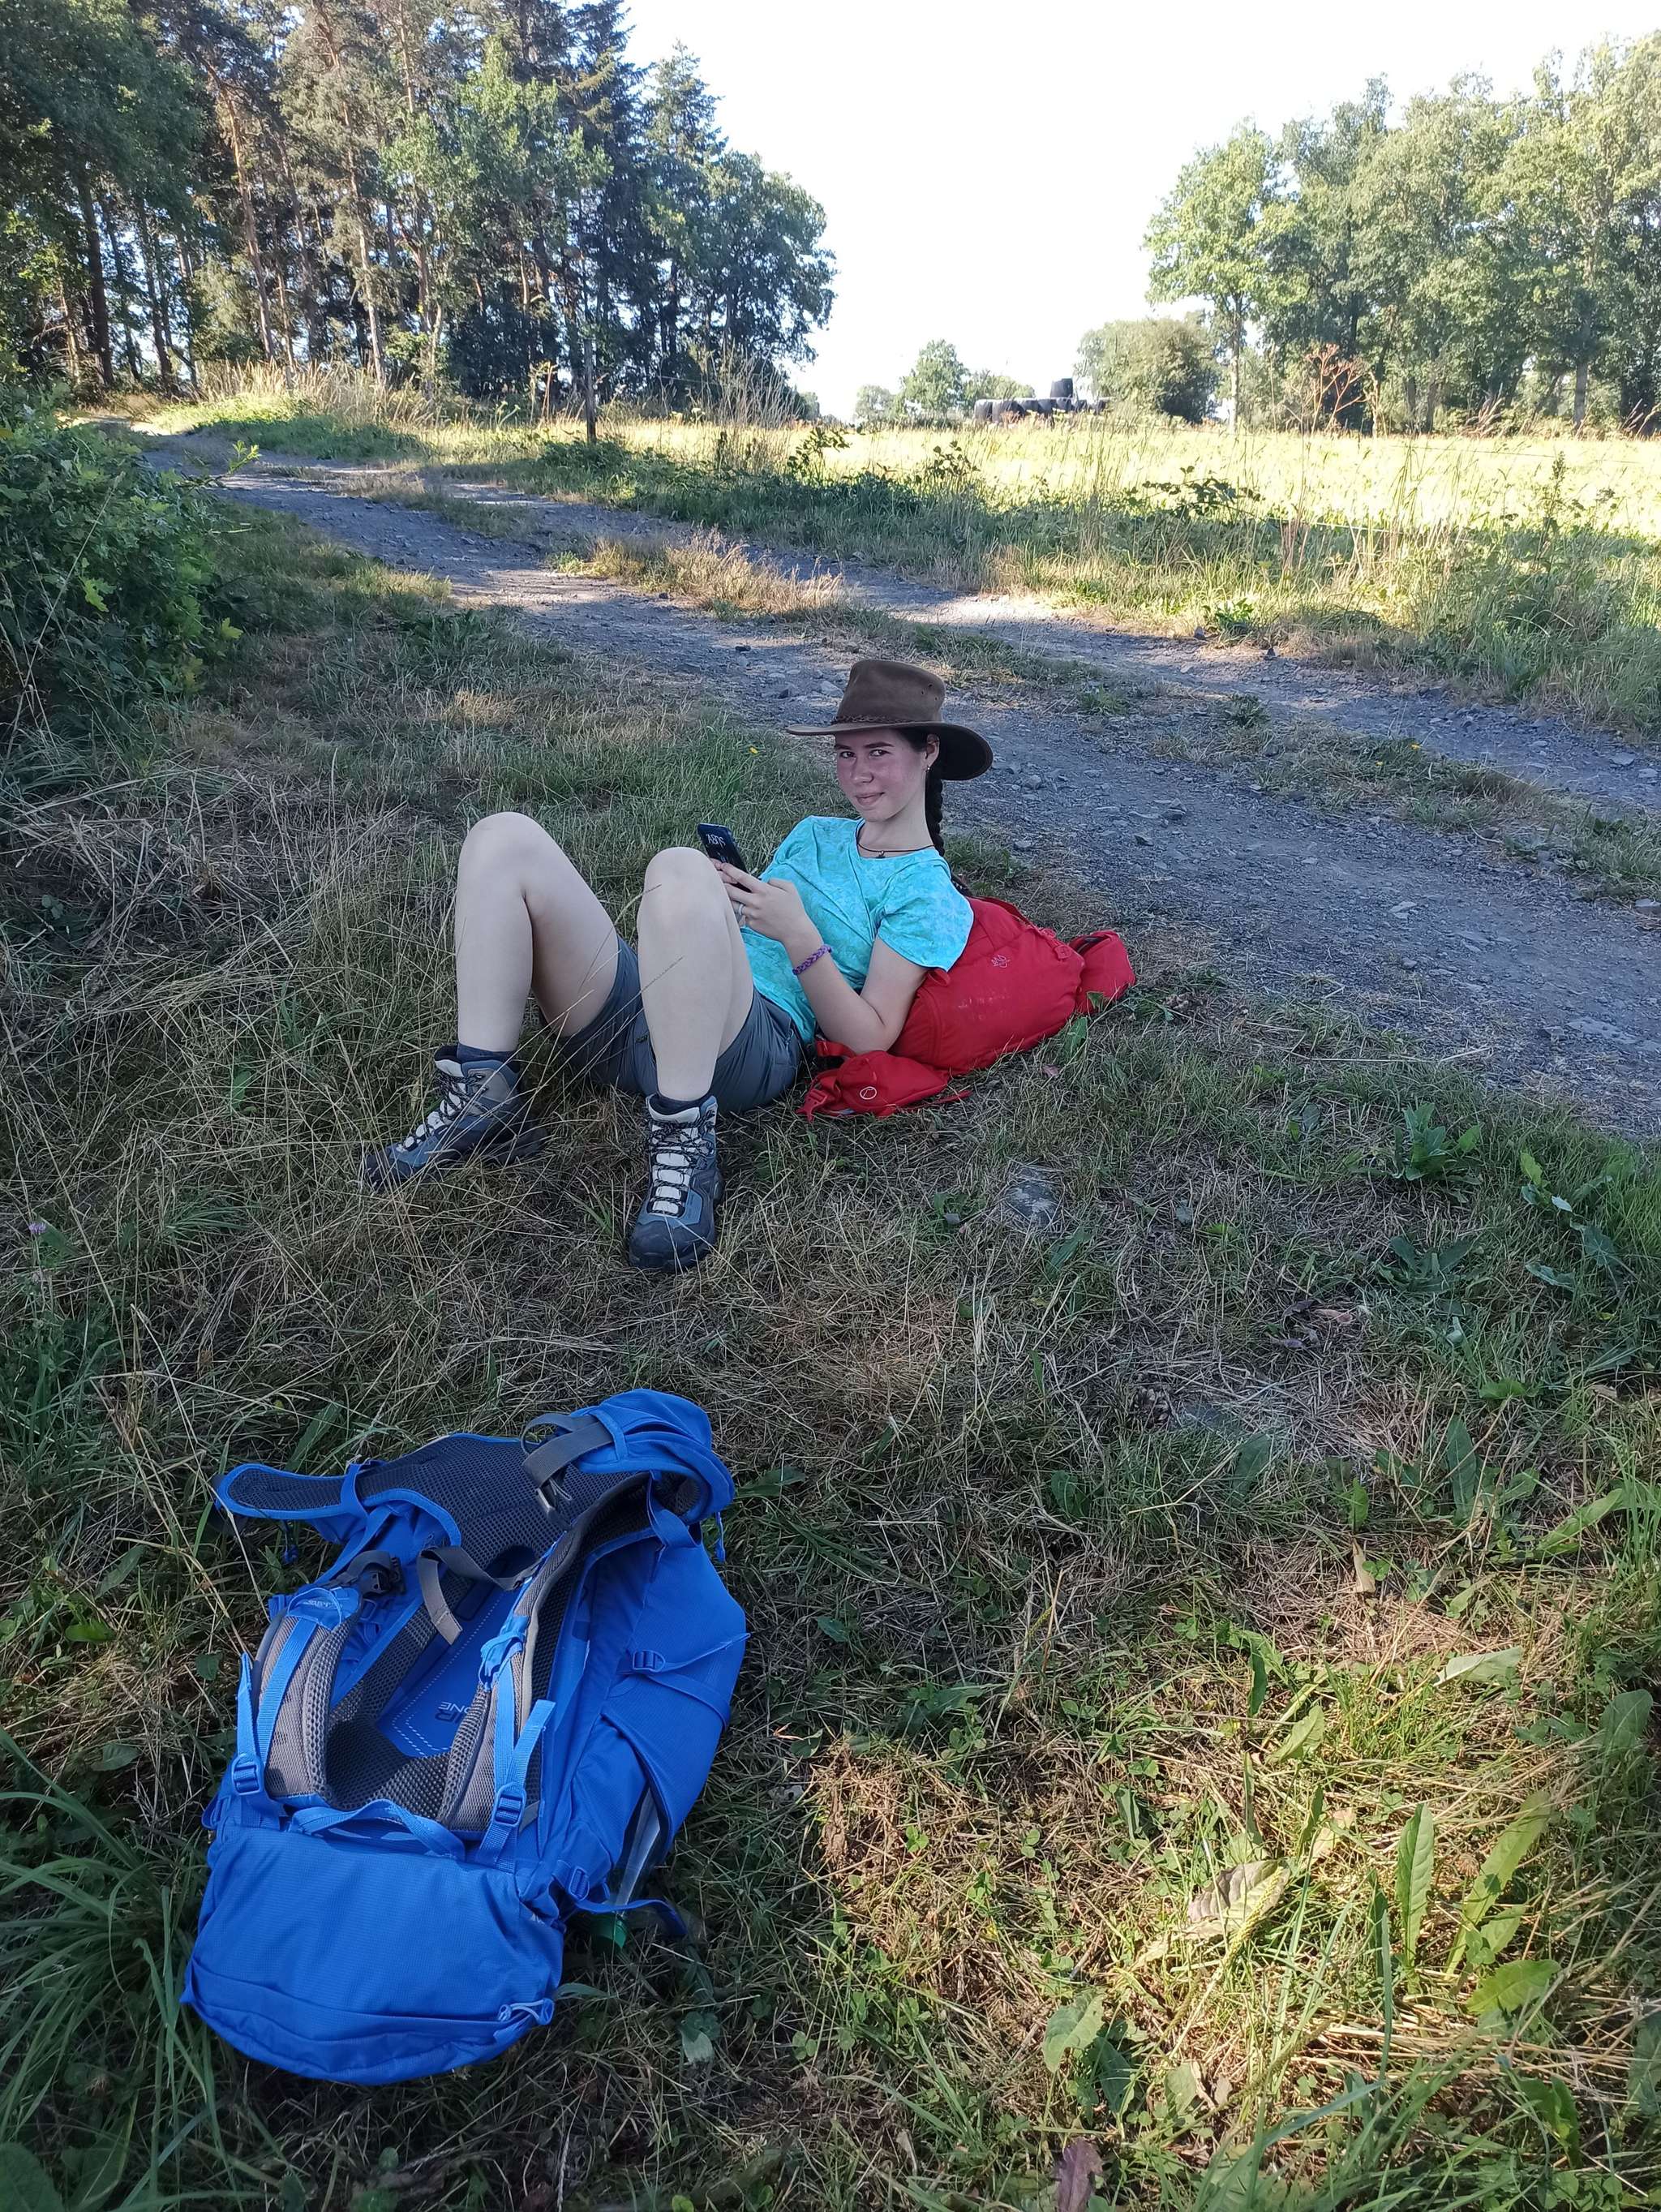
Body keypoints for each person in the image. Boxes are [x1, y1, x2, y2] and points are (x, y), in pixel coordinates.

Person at [364, 658, 994, 1271]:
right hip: (657, 1006)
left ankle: (684, 1151)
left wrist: (800, 935)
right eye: (845, 753)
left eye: (878, 752)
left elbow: (871, 1037)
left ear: (929, 751)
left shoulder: (927, 891)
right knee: (504, 836)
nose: (858, 774)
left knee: (677, 865)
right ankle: (482, 1102)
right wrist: (718, 907)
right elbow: (742, 929)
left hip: (749, 1043)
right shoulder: (813, 833)